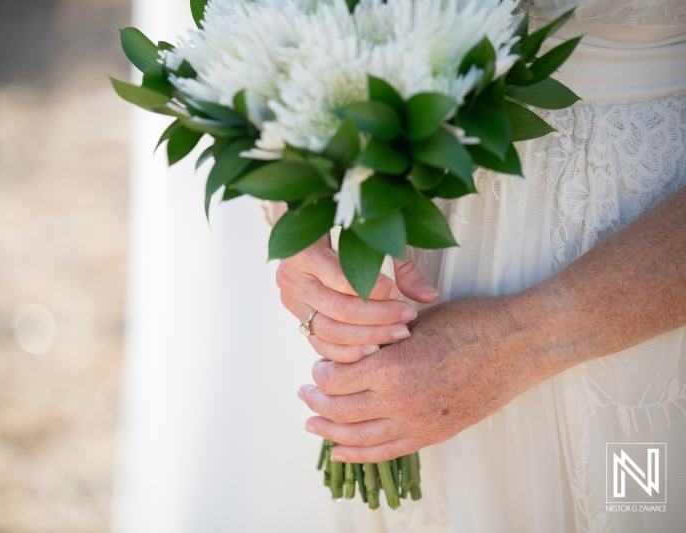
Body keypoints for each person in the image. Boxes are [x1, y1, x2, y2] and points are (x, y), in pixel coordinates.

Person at [270, 0, 686, 531]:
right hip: (433, 224)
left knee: (639, 502)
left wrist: (516, 344)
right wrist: (302, 209)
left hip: (634, 271)